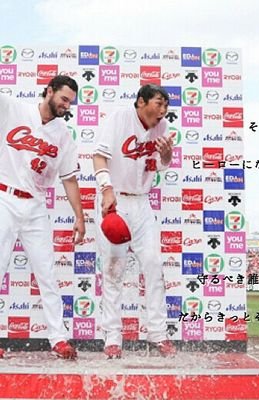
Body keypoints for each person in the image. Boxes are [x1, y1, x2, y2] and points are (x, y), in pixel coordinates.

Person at [0, 75, 86, 359]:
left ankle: (58, 339)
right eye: (63, 98)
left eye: (70, 102)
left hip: (35, 206)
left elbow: (70, 178)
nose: (66, 105)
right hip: (5, 197)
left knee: (47, 273)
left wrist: (79, 217)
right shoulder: (14, 109)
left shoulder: (63, 134)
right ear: (49, 91)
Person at [93, 84, 176, 359]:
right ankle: (112, 338)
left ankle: (158, 335)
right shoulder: (119, 118)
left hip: (142, 202)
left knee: (153, 264)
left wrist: (166, 155)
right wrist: (106, 191)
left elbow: (161, 165)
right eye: (158, 104)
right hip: (115, 199)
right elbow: (99, 156)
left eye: (165, 106)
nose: (163, 110)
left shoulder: (161, 128)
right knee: (114, 270)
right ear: (141, 102)